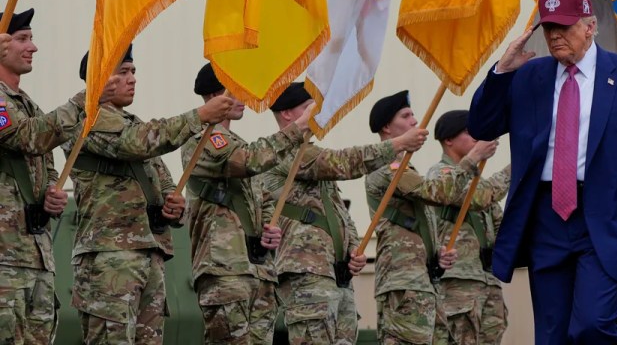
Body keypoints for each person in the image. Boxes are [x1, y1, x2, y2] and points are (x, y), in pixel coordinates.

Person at [468, 0, 617, 344]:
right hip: (546, 220)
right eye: (549, 28)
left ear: (590, 26)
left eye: (564, 27)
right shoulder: (529, 76)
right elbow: (482, 125)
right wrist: (502, 70)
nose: (555, 36)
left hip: (607, 218)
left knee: (593, 326)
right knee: (551, 335)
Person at [68, 48, 233, 345]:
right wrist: (199, 116)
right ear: (99, 80)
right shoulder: (87, 118)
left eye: (133, 71)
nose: (133, 79)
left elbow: (164, 180)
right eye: (123, 72)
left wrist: (175, 206)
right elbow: (137, 144)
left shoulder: (133, 122)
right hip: (109, 257)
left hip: (148, 253)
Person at [259, 82, 429, 345]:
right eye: (307, 109)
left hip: (334, 272)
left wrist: (353, 248)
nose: (315, 116)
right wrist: (395, 145)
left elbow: (336, 211)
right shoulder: (287, 152)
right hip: (306, 271)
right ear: (287, 115)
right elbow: (342, 163)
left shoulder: (309, 154)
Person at [182, 63, 320, 344]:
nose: (243, 99)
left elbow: (261, 197)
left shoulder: (237, 142)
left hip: (256, 272)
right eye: (234, 92)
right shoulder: (205, 139)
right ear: (213, 97)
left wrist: (270, 228)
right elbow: (248, 160)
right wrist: (298, 127)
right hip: (225, 270)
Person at [0, 9, 114, 344]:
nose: (32, 47)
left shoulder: (28, 104)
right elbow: (28, 137)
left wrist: (51, 191)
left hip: (34, 255)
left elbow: (44, 162)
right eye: (22, 39)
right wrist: (86, 98)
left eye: (31, 38)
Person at [366, 91, 510, 345]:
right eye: (406, 115)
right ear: (387, 127)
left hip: (423, 277)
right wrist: (474, 159)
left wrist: (437, 254)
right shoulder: (387, 167)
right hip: (404, 279)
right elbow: (435, 192)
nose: (415, 121)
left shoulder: (408, 169)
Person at [429, 110, 510, 344]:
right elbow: (479, 198)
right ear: (448, 139)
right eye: (468, 132)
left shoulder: (479, 180)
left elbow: (497, 222)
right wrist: (517, 168)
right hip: (458, 280)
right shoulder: (441, 175)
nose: (476, 137)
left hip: (487, 278)